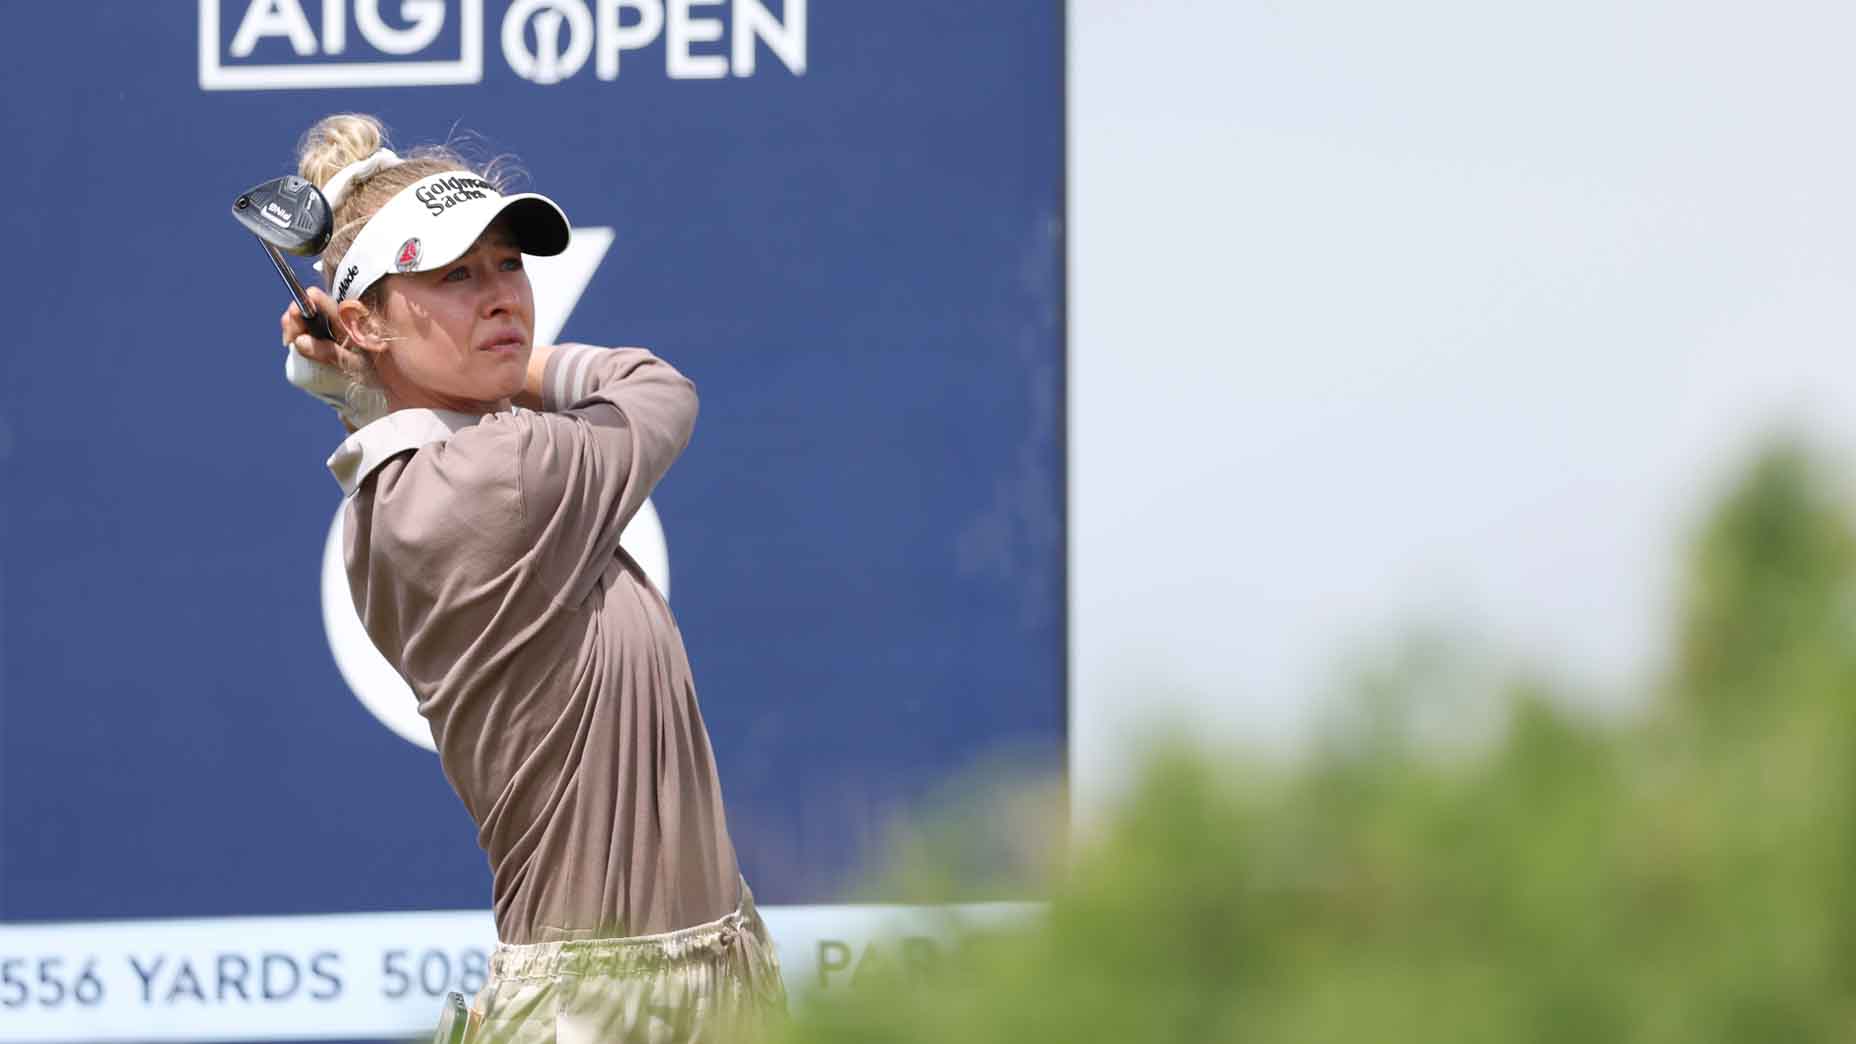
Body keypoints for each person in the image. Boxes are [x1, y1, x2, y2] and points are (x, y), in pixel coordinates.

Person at [277, 113, 787, 1042]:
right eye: (454, 276)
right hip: (607, 1006)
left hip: (687, 966)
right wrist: (397, 379)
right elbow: (654, 388)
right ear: (359, 320)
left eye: (509, 264)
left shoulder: (406, 481)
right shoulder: (501, 475)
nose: (503, 296)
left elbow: (415, 422)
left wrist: (369, 382)